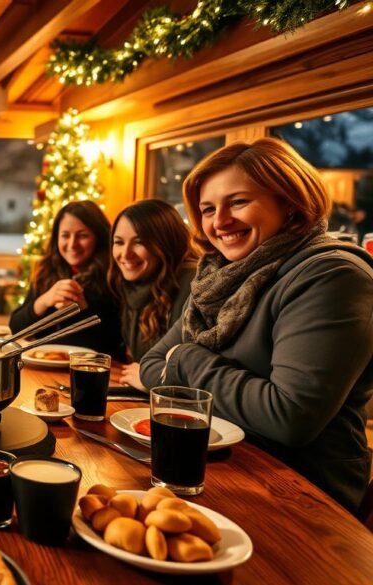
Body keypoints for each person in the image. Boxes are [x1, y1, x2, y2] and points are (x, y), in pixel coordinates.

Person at [140, 138, 373, 513]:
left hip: (303, 497)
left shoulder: (333, 275)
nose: (219, 222)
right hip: (218, 467)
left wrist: (186, 359)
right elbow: (151, 367)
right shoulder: (218, 278)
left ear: (290, 202)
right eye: (208, 208)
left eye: (238, 202)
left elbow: (288, 417)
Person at [9, 200, 123, 357]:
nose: (72, 244)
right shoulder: (47, 271)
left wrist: (83, 312)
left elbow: (114, 343)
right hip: (45, 367)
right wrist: (44, 300)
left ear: (99, 237)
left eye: (82, 236)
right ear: (56, 238)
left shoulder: (113, 276)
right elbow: (16, 327)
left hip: (92, 370)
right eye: (65, 235)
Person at [108, 200, 198, 389]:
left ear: (165, 242)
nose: (125, 254)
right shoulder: (131, 283)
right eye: (118, 242)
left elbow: (192, 370)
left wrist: (151, 380)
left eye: (139, 242)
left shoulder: (191, 282)